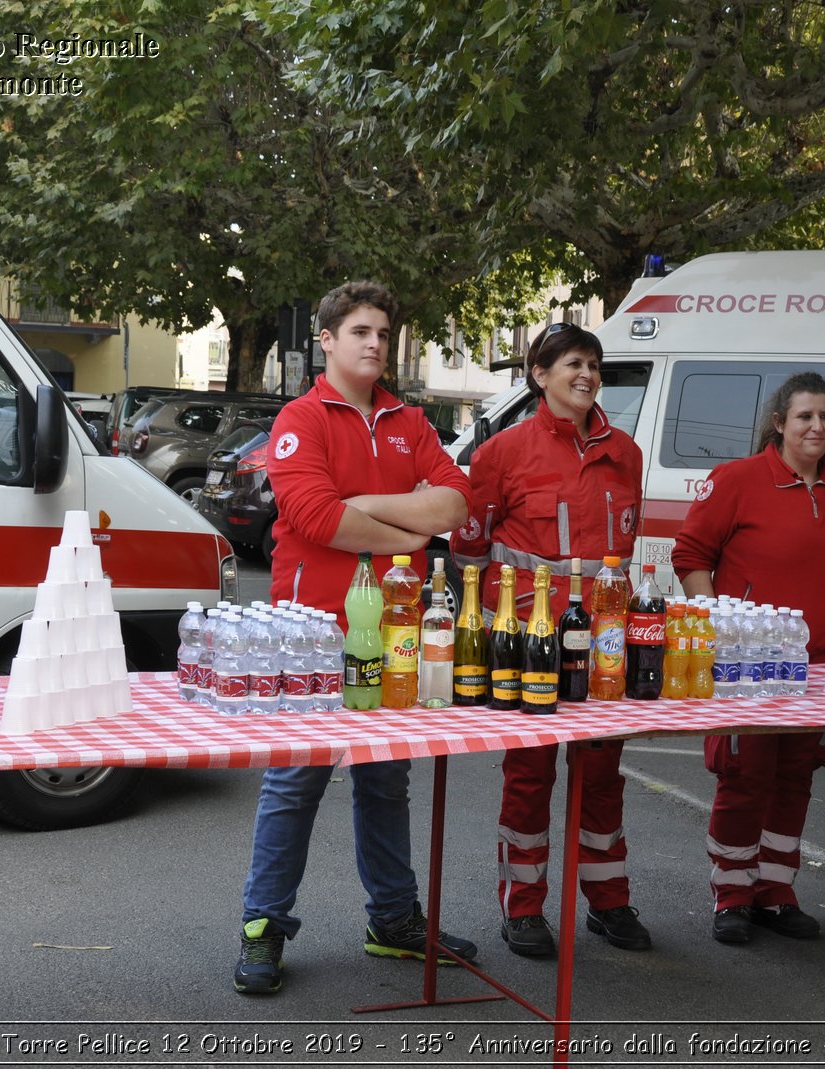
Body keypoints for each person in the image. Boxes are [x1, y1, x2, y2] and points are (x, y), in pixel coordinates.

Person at [234, 281, 477, 995]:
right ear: (329, 340)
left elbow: (457, 503)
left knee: (385, 780)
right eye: (361, 331)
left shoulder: (412, 420)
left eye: (383, 332)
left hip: (395, 637)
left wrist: (368, 508)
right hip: (313, 637)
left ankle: (393, 921)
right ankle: (262, 927)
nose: (375, 343)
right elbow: (314, 517)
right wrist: (411, 532)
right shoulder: (300, 418)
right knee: (294, 782)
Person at [449, 322, 651, 958]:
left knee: (603, 778)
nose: (586, 374)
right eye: (572, 363)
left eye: (593, 363)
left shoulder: (627, 453)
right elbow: (469, 551)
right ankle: (524, 908)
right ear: (539, 375)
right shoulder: (502, 453)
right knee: (529, 777)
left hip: (606, 648)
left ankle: (609, 900)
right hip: (530, 645)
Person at [671, 372, 825, 945]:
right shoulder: (737, 480)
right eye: (805, 416)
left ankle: (776, 893)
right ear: (779, 422)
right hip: (750, 668)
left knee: (796, 779)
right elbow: (691, 555)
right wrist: (720, 626)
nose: (817, 426)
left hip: (824, 668)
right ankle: (732, 895)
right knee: (744, 776)